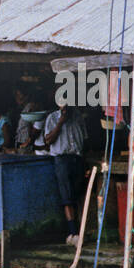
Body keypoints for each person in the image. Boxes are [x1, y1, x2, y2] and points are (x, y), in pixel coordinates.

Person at [43, 101, 87, 244]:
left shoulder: (78, 117)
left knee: (78, 194)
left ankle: (80, 231)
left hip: (77, 158)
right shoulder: (52, 118)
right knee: (67, 196)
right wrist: (60, 123)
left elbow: (85, 139)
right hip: (62, 159)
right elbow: (48, 140)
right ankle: (72, 232)